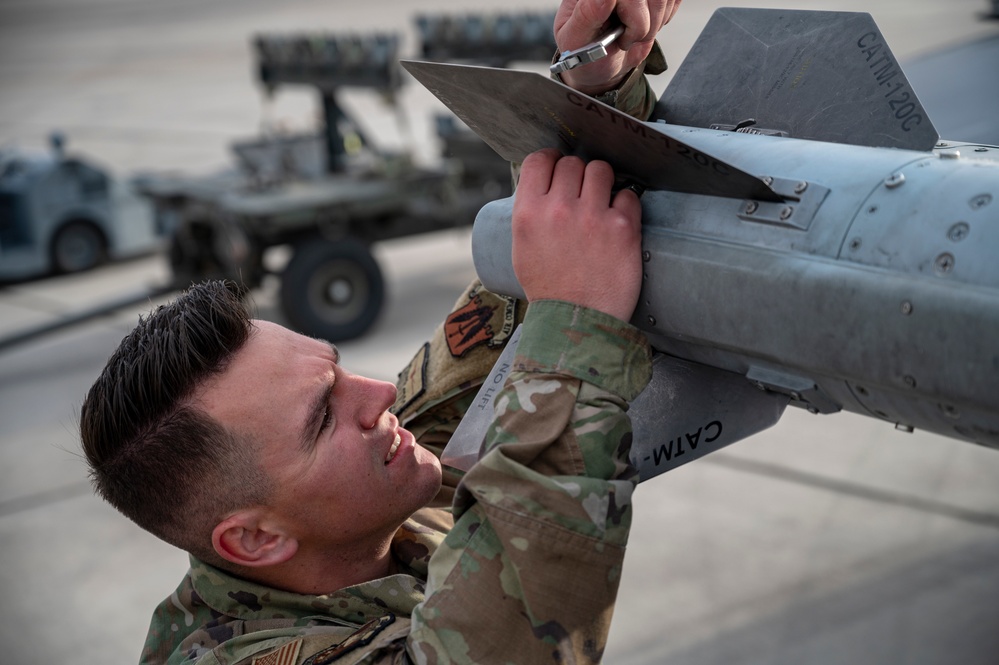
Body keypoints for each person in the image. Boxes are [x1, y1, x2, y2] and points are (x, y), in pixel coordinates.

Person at [80, 1, 682, 662]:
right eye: (321, 417)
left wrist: (595, 83)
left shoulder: (362, 495)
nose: (378, 394)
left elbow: (513, 311)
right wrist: (576, 328)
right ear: (253, 539)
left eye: (337, 371)